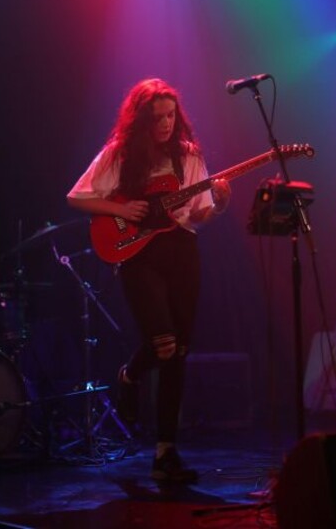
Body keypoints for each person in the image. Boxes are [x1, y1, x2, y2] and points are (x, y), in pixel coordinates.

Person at [66, 77, 230, 483]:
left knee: (179, 350)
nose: (165, 124)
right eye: (157, 117)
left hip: (181, 252)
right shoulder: (120, 154)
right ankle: (131, 375)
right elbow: (77, 196)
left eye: (171, 115)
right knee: (164, 342)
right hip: (139, 255)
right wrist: (124, 207)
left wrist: (220, 205)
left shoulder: (188, 156)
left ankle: (165, 450)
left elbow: (197, 215)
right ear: (141, 120)